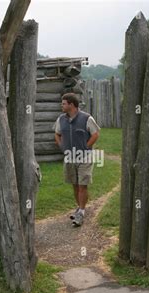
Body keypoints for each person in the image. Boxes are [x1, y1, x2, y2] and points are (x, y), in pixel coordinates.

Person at [54, 93, 100, 227]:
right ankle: (80, 207)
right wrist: (61, 145)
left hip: (85, 157)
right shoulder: (61, 119)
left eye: (63, 103)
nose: (61, 106)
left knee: (82, 185)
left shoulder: (87, 118)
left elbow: (95, 134)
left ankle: (81, 212)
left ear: (71, 105)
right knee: (74, 184)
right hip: (69, 157)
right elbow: (57, 134)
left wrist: (86, 146)